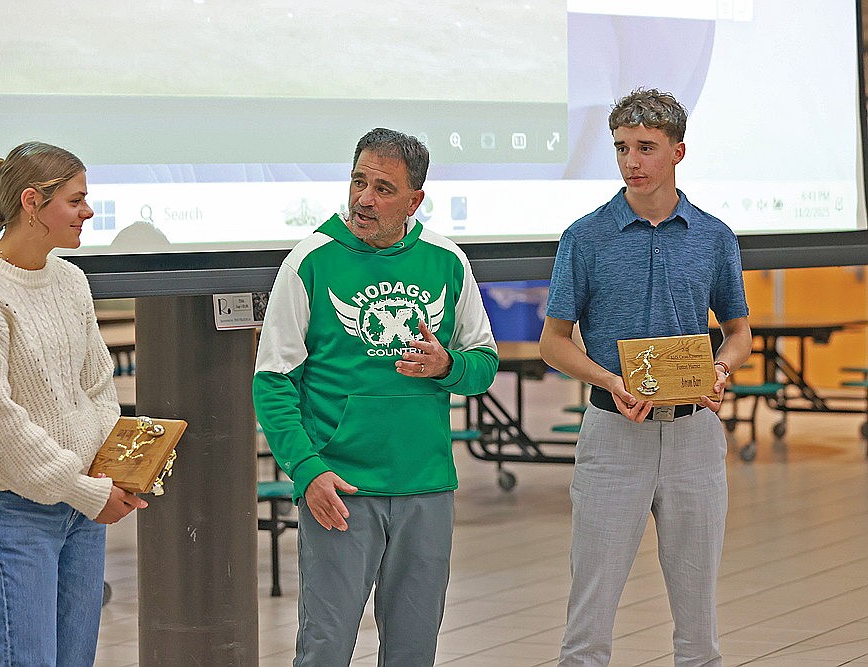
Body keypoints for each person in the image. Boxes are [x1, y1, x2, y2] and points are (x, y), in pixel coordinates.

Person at [252, 128, 498, 666]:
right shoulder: (310, 261)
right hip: (340, 488)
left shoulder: (447, 261)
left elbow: (483, 365)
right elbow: (271, 381)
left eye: (383, 188)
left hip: (426, 484)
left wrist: (448, 366)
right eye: (358, 181)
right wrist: (307, 470)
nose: (364, 199)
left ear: (415, 201)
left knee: (414, 649)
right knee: (326, 647)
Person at [540, 88, 753, 666]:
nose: (631, 162)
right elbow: (552, 343)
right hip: (613, 436)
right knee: (589, 618)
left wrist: (721, 369)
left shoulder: (713, 237)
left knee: (698, 621)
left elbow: (738, 333)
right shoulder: (584, 238)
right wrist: (610, 380)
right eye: (621, 148)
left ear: (678, 151)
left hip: (694, 438)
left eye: (646, 148)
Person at [0, 141, 148, 666]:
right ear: (32, 203)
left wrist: (101, 477)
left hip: (80, 505)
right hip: (11, 510)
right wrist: (81, 488)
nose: (89, 212)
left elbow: (96, 386)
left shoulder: (70, 281)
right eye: (76, 200)